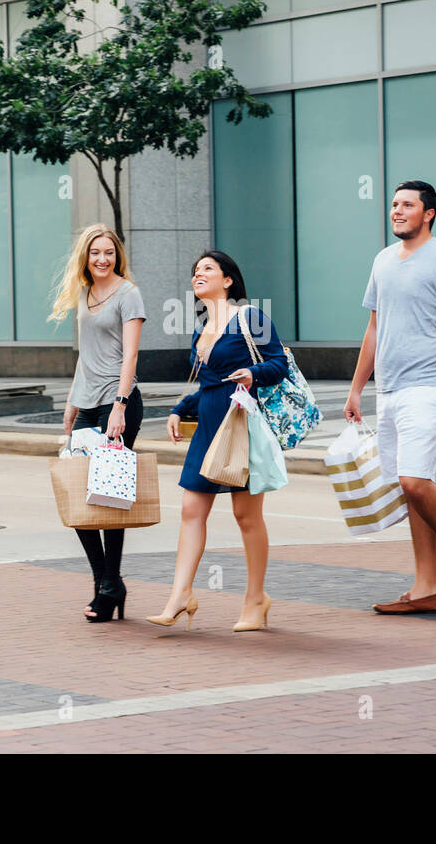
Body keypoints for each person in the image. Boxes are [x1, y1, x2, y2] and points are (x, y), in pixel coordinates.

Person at [344, 180, 436, 615]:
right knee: (411, 485)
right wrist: (356, 386)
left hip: (433, 385)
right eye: (394, 205)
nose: (398, 211)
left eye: (408, 205)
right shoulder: (383, 260)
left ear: (429, 213)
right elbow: (374, 327)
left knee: (414, 481)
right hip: (390, 388)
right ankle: (425, 588)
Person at [148, 251, 289, 633]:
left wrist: (252, 373)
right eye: (195, 270)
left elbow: (279, 364)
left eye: (208, 268)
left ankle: (256, 599)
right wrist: (180, 408)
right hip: (209, 424)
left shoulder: (250, 318)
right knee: (191, 509)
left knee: (247, 517)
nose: (199, 274)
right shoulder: (201, 327)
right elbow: (209, 384)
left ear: (228, 280)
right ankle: (180, 596)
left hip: (239, 424)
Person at [50, 223, 146, 623]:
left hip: (117, 401)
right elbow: (85, 356)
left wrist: (120, 405)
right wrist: (72, 405)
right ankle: (106, 581)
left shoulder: (129, 294)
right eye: (95, 253)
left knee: (108, 495)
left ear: (117, 255)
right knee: (78, 496)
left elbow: (130, 357)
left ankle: (107, 589)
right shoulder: (85, 294)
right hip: (87, 404)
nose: (102, 259)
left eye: (108, 252)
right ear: (85, 258)